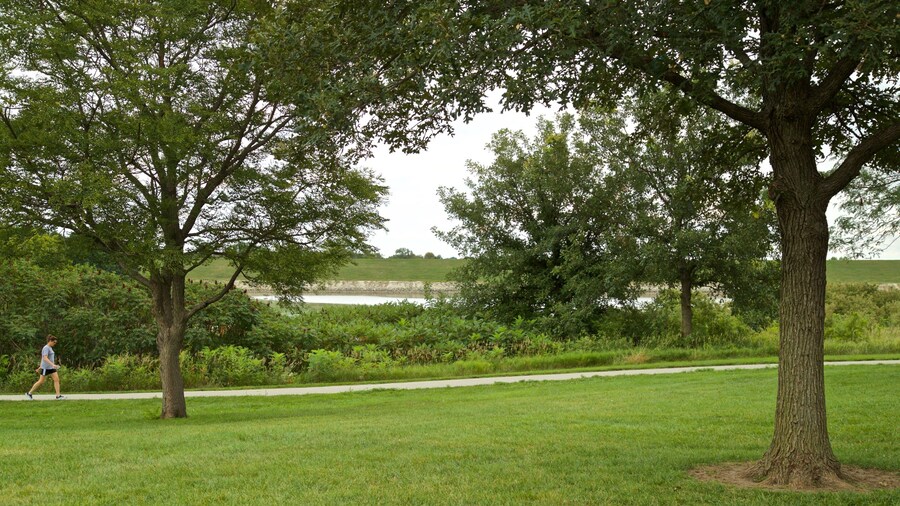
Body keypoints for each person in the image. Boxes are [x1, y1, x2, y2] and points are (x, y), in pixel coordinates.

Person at [25, 335, 65, 400]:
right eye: (54, 342)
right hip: (46, 368)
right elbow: (45, 358)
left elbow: (43, 358)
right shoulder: (46, 348)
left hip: (51, 368)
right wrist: (52, 365)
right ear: (50, 341)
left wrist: (40, 366)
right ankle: (29, 393)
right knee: (41, 381)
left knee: (56, 380)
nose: (55, 344)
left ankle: (58, 396)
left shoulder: (50, 348)